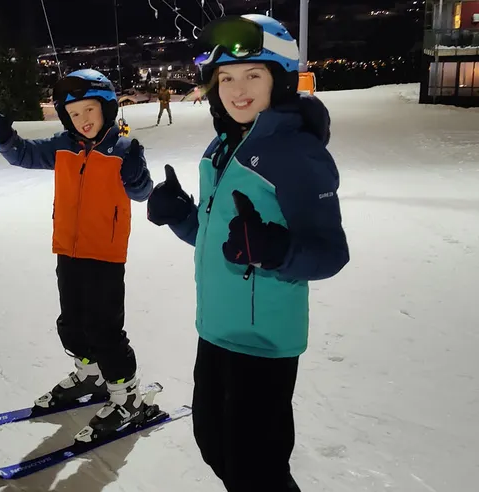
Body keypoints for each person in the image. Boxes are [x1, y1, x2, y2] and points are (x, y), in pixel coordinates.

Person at [146, 14, 349, 492]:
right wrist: (181, 216)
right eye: (227, 78)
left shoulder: (296, 154)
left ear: (277, 80)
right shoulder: (222, 148)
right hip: (215, 329)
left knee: (256, 467)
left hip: (264, 341)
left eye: (253, 75)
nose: (238, 89)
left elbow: (331, 253)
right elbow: (225, 240)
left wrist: (277, 249)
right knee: (214, 444)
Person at [0, 69, 153, 440]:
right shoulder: (64, 146)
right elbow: (24, 154)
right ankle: (90, 375)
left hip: (104, 255)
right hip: (68, 250)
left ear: (106, 108)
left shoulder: (123, 149)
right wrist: (4, 139)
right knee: (71, 323)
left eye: (89, 110)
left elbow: (142, 192)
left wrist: (136, 176)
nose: (83, 120)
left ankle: (128, 397)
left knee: (104, 329)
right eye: (74, 114)